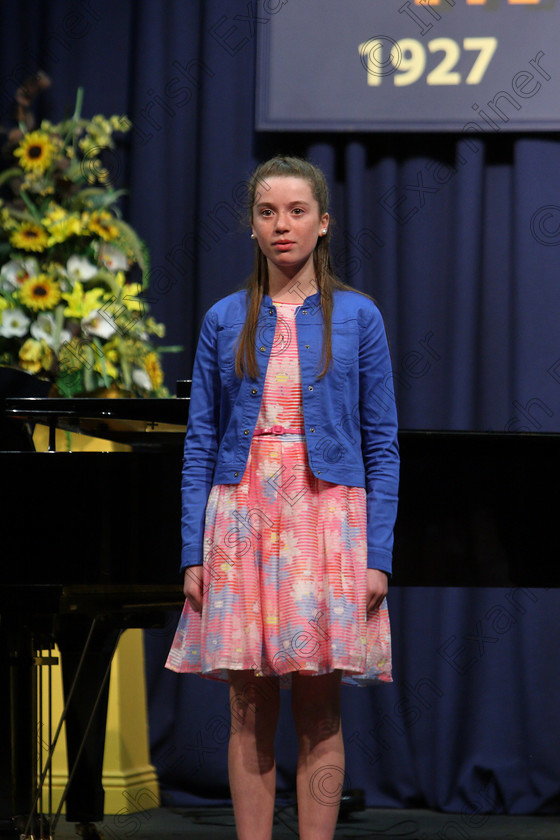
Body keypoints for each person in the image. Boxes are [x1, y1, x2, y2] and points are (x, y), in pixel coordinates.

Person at [165, 155, 399, 840]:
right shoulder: (223, 319)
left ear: (323, 223)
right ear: (252, 226)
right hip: (241, 519)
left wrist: (378, 553)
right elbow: (200, 444)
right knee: (248, 705)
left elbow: (383, 445)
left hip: (327, 520)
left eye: (297, 211)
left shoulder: (358, 317)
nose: (282, 225)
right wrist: (192, 551)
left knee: (321, 705)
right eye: (267, 212)